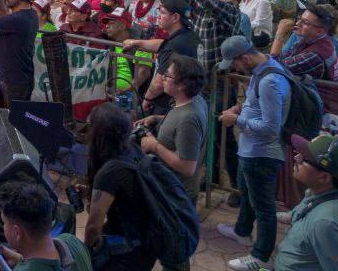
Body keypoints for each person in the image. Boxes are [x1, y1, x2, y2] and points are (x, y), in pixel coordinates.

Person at [216, 36, 290, 271]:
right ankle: (242, 231)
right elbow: (256, 104)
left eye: (235, 64)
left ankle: (262, 256)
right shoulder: (263, 69)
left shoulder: (270, 81)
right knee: (247, 193)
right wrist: (240, 108)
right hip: (252, 151)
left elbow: (271, 127)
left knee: (263, 207)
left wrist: (236, 119)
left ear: (245, 58)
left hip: (262, 154)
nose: (235, 69)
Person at [273, 133, 338, 271]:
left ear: (324, 177)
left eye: (304, 158)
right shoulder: (323, 191)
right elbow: (304, 211)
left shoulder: (328, 224)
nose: (296, 157)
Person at [82, 104, 157, 271]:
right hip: (147, 242)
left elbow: (93, 227)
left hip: (128, 251)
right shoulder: (133, 150)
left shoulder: (109, 172)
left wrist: (85, 255)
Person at [0, 180, 92, 271]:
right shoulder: (72, 240)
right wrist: (20, 259)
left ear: (17, 232)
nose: (4, 226)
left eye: (4, 222)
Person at [136, 54, 208, 210]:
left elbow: (187, 167)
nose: (162, 78)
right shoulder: (195, 100)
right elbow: (180, 128)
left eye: (167, 76)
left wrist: (154, 146)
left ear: (181, 84)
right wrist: (157, 119)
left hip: (176, 194)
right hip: (170, 188)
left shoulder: (188, 118)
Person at [271, 4, 338, 81]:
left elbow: (273, 68)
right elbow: (285, 58)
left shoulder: (315, 56)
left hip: (318, 92)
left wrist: (279, 35)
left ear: (319, 31)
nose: (297, 23)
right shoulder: (312, 39)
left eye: (305, 23)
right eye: (299, 19)